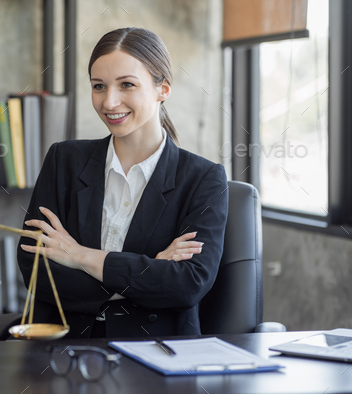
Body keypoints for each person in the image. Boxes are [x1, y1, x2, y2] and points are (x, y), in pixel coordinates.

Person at [16, 27, 228, 338]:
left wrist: (79, 257)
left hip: (158, 352)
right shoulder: (64, 160)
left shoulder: (203, 179)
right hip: (62, 348)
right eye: (98, 86)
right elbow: (35, 268)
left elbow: (187, 285)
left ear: (163, 89)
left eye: (127, 85)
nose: (109, 102)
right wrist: (149, 270)